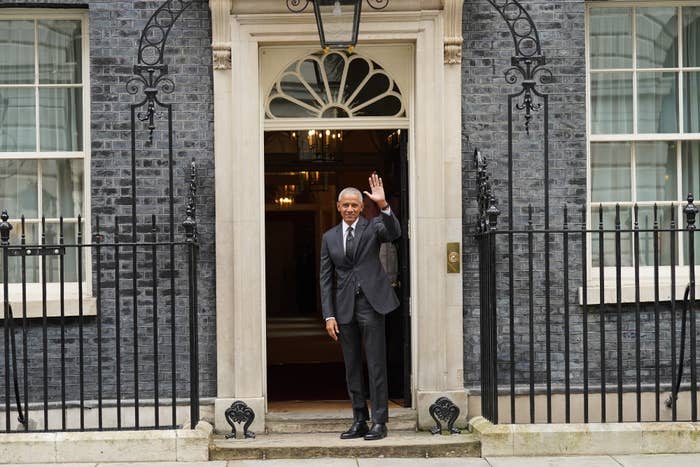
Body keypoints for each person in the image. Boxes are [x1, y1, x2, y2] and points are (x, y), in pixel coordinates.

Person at [319, 173, 401, 441]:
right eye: (346, 205)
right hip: (344, 309)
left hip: (371, 304)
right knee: (352, 366)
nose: (351, 209)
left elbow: (394, 233)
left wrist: (384, 205)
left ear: (362, 207)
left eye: (355, 205)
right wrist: (328, 314)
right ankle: (359, 419)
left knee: (376, 364)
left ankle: (379, 421)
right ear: (338, 207)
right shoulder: (329, 237)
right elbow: (325, 279)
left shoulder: (373, 227)